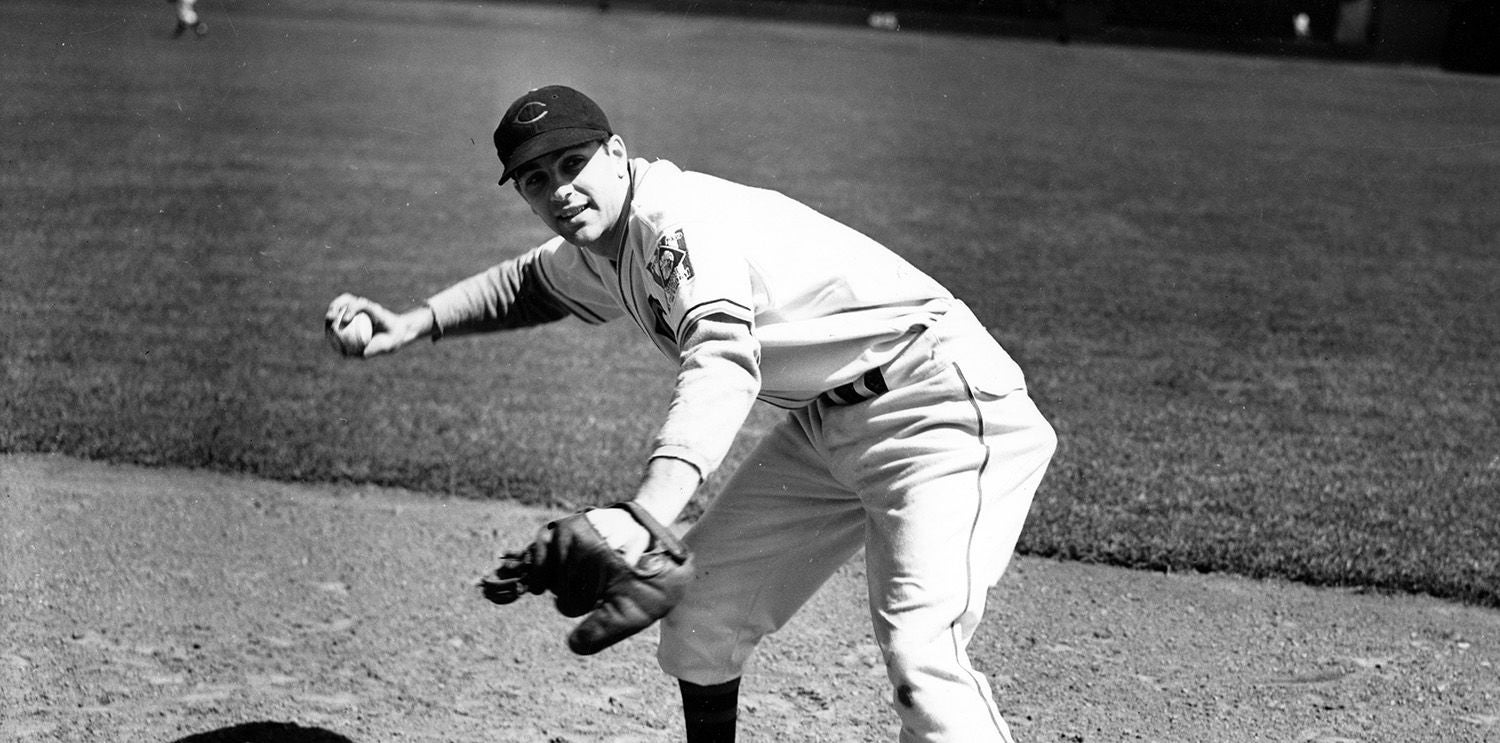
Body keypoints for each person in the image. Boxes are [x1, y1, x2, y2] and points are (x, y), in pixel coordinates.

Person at [325, 85, 1056, 742]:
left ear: (616, 153)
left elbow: (722, 364)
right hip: (828, 426)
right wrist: (412, 321)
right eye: (536, 180)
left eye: (573, 163)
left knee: (923, 662)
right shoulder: (602, 242)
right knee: (704, 612)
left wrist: (647, 516)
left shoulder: (675, 225)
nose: (560, 190)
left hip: (939, 406)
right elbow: (525, 285)